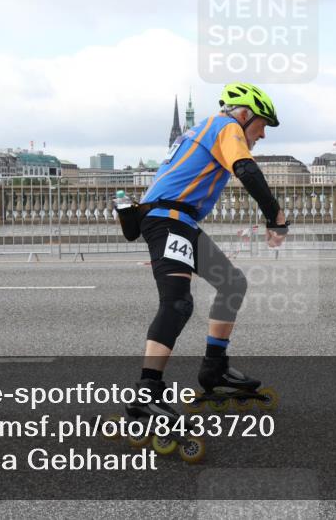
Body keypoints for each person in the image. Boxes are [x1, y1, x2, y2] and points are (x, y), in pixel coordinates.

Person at [126, 83, 288, 421]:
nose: (262, 134)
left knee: (232, 284)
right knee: (177, 302)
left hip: (178, 221)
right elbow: (246, 170)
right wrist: (275, 216)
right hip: (167, 220)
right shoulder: (226, 126)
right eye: (261, 124)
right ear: (244, 115)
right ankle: (147, 391)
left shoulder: (205, 129)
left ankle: (214, 369)